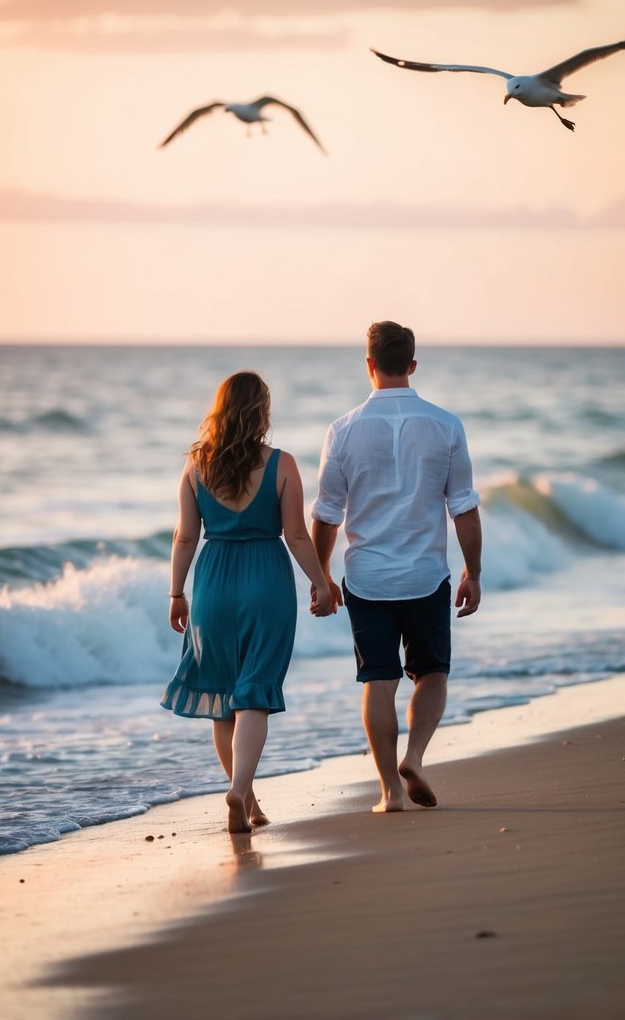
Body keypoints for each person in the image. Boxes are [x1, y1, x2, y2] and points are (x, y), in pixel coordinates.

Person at [311, 321, 482, 813]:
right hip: (427, 574)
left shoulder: (341, 430)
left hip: (366, 578)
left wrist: (322, 576)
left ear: (369, 365)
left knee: (377, 680)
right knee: (432, 673)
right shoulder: (446, 425)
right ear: (411, 365)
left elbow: (326, 514)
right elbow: (464, 508)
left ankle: (390, 791)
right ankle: (415, 757)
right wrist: (472, 571)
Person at [161, 371, 335, 834]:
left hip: (213, 583)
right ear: (262, 411)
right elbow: (296, 535)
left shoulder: (196, 465)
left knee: (221, 696)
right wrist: (321, 583)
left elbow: (184, 537)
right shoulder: (282, 464)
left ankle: (247, 797)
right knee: (253, 691)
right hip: (267, 581)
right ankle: (242, 792)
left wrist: (176, 593)